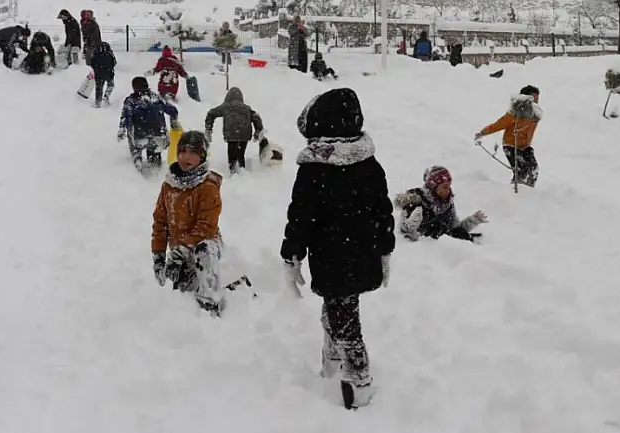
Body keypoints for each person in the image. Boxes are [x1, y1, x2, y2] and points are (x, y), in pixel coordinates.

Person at [280, 88, 395, 410]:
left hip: (331, 255)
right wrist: (385, 248)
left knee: (344, 314)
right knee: (341, 305)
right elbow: (382, 211)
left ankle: (360, 380)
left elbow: (300, 215)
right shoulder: (369, 163)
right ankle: (332, 359)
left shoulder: (315, 168)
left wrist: (291, 254)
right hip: (362, 252)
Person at [151, 131, 226, 316]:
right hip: (178, 253)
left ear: (201, 157)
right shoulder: (169, 186)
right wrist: (159, 255)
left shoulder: (208, 187)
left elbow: (206, 228)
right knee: (179, 295)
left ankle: (211, 302)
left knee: (204, 250)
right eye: (182, 151)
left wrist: (179, 253)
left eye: (192, 152)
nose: (186, 156)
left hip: (207, 245)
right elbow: (160, 222)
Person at [396, 166, 487, 243]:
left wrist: (470, 223)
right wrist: (410, 229)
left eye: (449, 186)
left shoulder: (447, 203)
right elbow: (404, 236)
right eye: (444, 187)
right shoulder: (416, 202)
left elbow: (454, 229)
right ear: (433, 187)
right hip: (425, 252)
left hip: (445, 247)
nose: (448, 190)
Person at [474, 85, 542, 187]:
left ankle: (529, 191)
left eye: (537, 97)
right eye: (533, 97)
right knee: (521, 170)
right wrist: (483, 132)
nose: (536, 100)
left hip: (525, 146)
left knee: (533, 168)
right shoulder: (516, 112)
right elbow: (499, 125)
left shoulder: (535, 114)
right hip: (511, 145)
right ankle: (515, 191)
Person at [118, 76, 179, 171]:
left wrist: (122, 130)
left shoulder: (131, 101)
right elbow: (173, 110)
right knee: (155, 150)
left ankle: (137, 159)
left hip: (140, 136)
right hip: (159, 135)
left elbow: (126, 117)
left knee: (131, 130)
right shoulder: (157, 98)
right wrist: (174, 121)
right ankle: (155, 167)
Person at [204, 86, 264, 174]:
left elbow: (211, 113)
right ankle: (241, 168)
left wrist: (208, 128)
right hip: (245, 133)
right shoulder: (247, 108)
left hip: (231, 133)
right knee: (241, 153)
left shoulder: (225, 106)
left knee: (232, 153)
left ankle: (233, 170)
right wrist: (258, 131)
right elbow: (256, 118)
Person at [89, 41, 116, 108]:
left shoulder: (96, 54)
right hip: (109, 73)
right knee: (111, 85)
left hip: (98, 73)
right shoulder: (110, 53)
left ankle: (98, 102)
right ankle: (106, 95)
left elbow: (92, 63)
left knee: (99, 88)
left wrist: (96, 68)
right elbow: (114, 62)